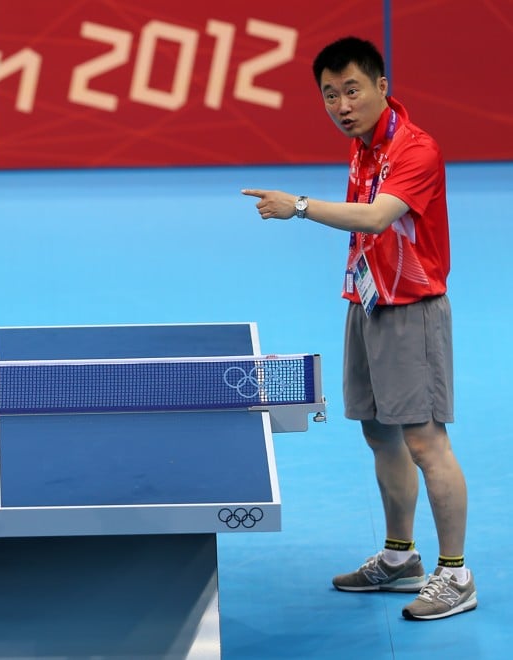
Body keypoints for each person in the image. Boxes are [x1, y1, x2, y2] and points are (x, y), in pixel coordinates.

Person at [241, 36, 475, 621]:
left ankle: (456, 574)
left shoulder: (416, 149)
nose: (342, 105)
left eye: (352, 90)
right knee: (379, 434)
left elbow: (375, 217)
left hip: (412, 311)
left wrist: (297, 205)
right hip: (368, 302)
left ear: (381, 87)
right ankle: (400, 558)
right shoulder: (364, 146)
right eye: (330, 95)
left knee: (425, 442)